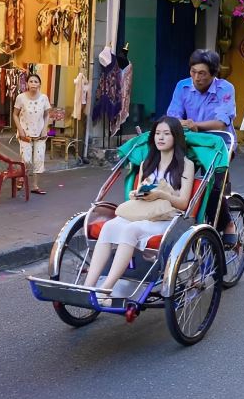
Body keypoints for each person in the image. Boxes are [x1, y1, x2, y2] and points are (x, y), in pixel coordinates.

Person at [83, 117, 195, 303]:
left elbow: (184, 203)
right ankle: (88, 286)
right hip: (143, 212)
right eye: (158, 133)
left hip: (166, 218)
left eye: (166, 134)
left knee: (130, 230)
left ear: (176, 137)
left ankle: (106, 288)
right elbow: (139, 192)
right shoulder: (147, 162)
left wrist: (161, 194)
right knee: (110, 227)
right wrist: (138, 194)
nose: (161, 138)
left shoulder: (186, 165)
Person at [167, 49, 237, 244]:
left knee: (214, 188)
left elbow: (221, 122)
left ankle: (228, 223)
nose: (196, 77)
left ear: (213, 73)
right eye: (193, 72)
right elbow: (173, 115)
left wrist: (195, 125)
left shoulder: (226, 89)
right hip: (189, 141)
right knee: (174, 180)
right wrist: (185, 125)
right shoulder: (182, 87)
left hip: (218, 143)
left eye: (202, 73)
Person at [13, 73, 51, 194]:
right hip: (25, 134)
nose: (33, 84)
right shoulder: (21, 97)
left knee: (39, 160)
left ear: (39, 84)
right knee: (26, 159)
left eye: (36, 81)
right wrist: (20, 129)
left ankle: (35, 185)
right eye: (31, 81)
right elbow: (15, 114)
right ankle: (21, 177)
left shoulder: (44, 98)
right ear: (27, 84)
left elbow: (47, 114)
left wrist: (45, 128)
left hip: (40, 134)